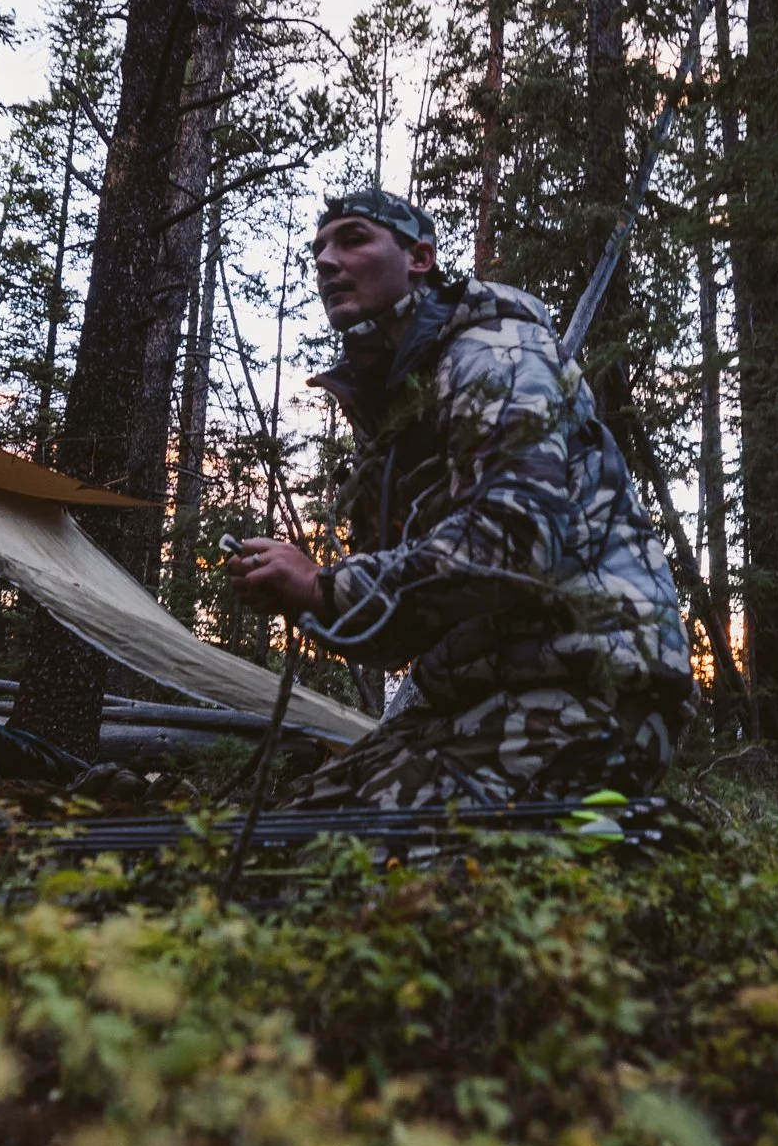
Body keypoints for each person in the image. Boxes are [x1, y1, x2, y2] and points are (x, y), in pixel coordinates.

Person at [226, 187, 694, 811]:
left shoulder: (494, 351)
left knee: (347, 867)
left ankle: (624, 854)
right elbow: (401, 632)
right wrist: (297, 598)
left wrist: (321, 588)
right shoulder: (394, 413)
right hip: (474, 698)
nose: (327, 261)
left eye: (354, 238)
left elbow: (512, 541)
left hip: (591, 689)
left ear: (419, 257)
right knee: (286, 827)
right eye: (318, 250)